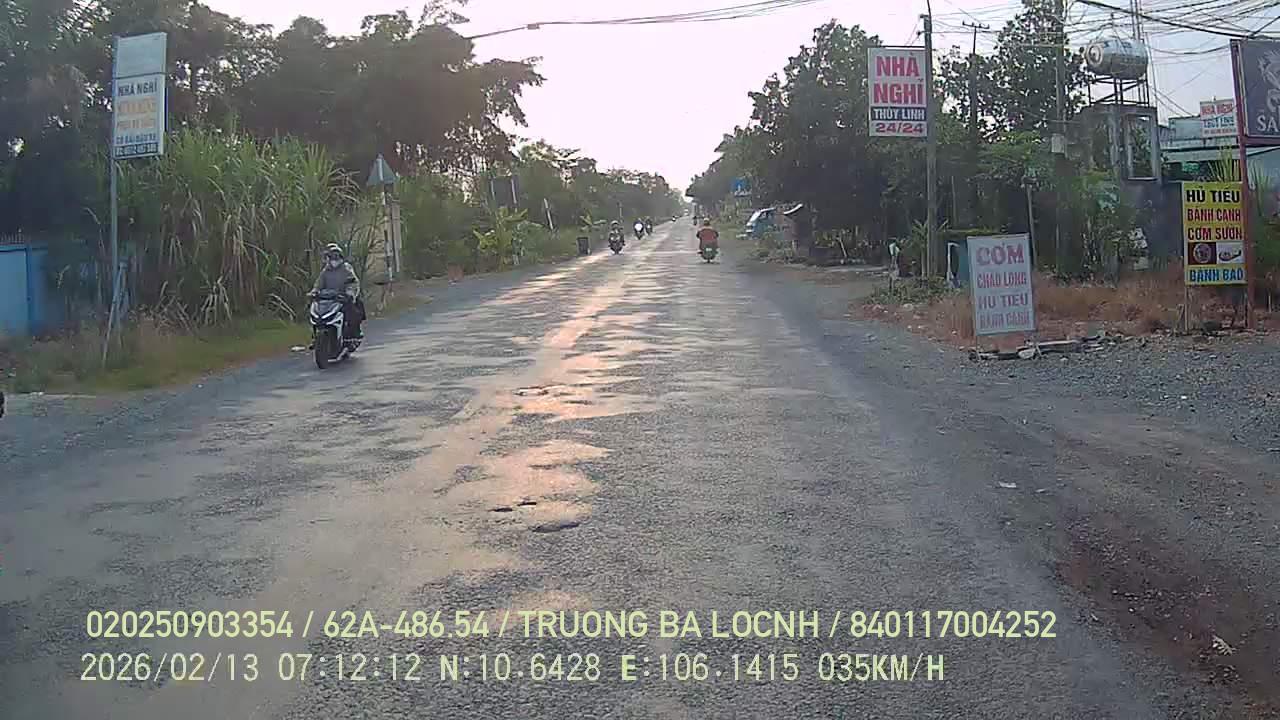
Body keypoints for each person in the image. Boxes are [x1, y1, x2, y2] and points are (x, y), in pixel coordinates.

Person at [312, 243, 364, 338]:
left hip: (342, 299)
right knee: (317, 313)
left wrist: (350, 293)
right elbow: (319, 283)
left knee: (352, 312)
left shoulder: (346, 269)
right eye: (331, 256)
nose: (334, 259)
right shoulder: (326, 270)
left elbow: (353, 283)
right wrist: (314, 291)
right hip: (328, 300)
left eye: (336, 256)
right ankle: (316, 336)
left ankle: (353, 333)